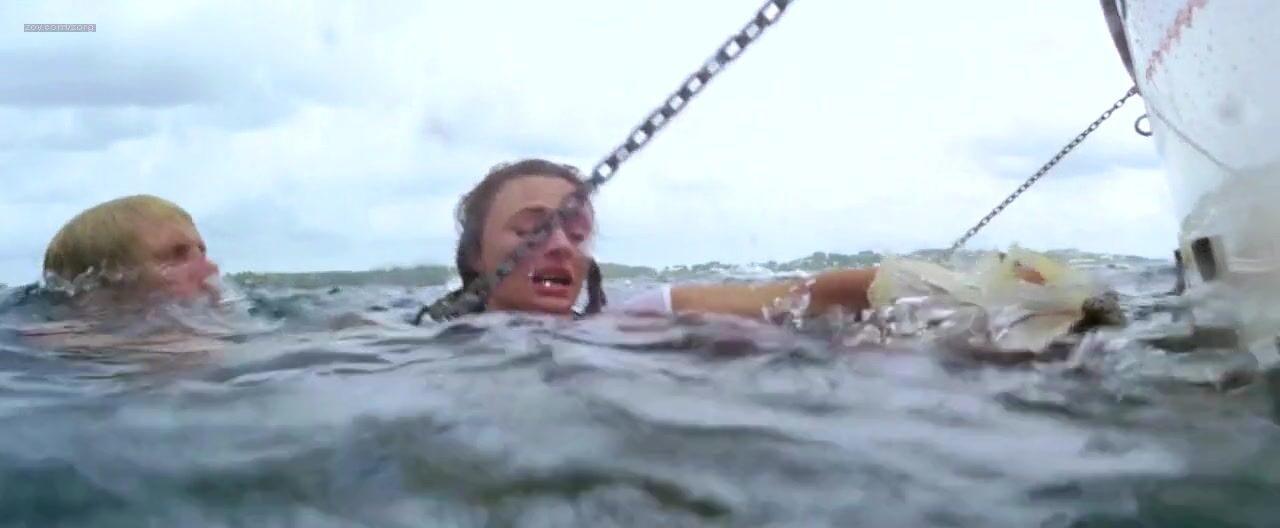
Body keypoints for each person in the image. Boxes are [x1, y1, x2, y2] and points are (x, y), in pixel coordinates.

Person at [420, 159, 881, 324]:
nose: (562, 246)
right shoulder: (418, 340)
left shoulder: (629, 323)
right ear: (476, 256)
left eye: (577, 234)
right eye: (531, 232)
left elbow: (808, 296)